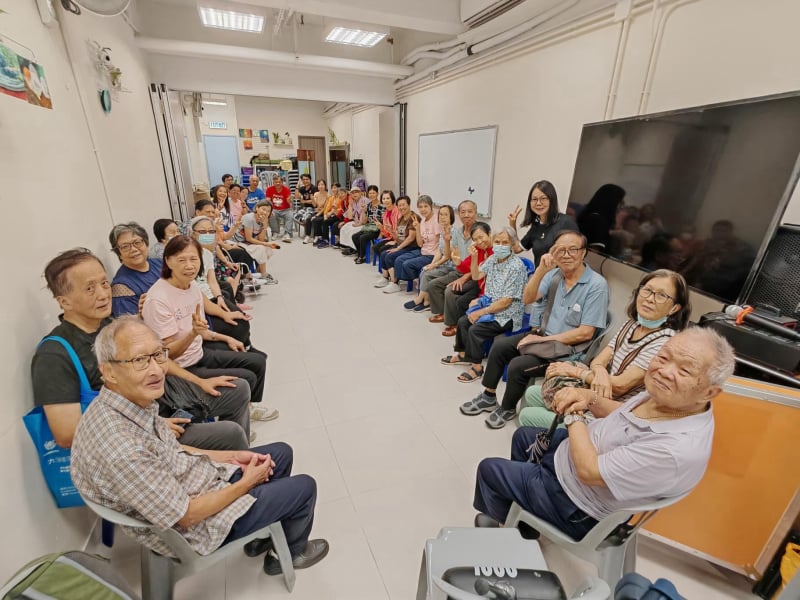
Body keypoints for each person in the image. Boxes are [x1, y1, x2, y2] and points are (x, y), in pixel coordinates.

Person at [70, 316, 329, 576]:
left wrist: (233, 456)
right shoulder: (122, 449)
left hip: (192, 482)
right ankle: (288, 555)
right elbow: (187, 516)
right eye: (140, 360)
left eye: (158, 355)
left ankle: (261, 535)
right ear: (108, 371)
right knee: (304, 488)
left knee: (280, 453)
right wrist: (246, 482)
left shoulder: (123, 403)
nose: (156, 370)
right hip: (197, 527)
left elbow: (173, 450)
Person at [472, 328, 735, 541]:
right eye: (664, 358)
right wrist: (588, 398)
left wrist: (573, 413)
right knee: (524, 436)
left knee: (489, 470)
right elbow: (626, 413)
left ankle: (508, 532)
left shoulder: (676, 449)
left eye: (685, 370)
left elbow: (589, 472)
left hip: (577, 504)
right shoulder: (671, 399)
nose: (665, 371)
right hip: (579, 456)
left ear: (710, 392)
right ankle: (523, 519)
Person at [32, 249, 252, 451]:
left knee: (238, 389)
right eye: (90, 288)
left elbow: (157, 358)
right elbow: (67, 434)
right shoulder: (55, 355)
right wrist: (151, 425)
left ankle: (229, 466)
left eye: (104, 283)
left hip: (161, 402)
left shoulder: (111, 324)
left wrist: (199, 382)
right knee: (230, 434)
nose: (103, 294)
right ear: (65, 302)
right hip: (134, 437)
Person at [460, 230, 609, 429]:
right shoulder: (554, 275)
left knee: (518, 365)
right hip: (544, 337)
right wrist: (540, 271)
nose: (566, 255)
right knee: (500, 347)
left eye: (572, 250)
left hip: (567, 350)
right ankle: (488, 396)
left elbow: (585, 333)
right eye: (560, 250)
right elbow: (528, 298)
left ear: (583, 253)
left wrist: (539, 340)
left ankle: (507, 408)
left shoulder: (597, 285)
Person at [519, 269, 691, 428]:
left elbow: (620, 385)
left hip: (615, 413)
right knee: (532, 393)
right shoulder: (632, 324)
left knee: (528, 415)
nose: (650, 298)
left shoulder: (664, 343)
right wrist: (600, 372)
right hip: (598, 394)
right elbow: (599, 360)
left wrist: (575, 372)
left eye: (661, 295)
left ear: (674, 308)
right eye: (647, 290)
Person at [142, 236, 277, 423]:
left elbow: (201, 328)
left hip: (198, 352)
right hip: (181, 368)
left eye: (194, 259)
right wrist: (193, 334)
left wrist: (225, 338)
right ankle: (234, 421)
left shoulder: (191, 285)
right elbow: (166, 354)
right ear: (168, 261)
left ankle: (246, 408)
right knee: (246, 379)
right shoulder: (158, 300)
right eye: (182, 260)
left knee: (257, 361)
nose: (189, 265)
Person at [441, 227, 528, 383]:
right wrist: (474, 258)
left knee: (476, 329)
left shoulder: (516, 266)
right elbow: (476, 275)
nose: (500, 246)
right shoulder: (493, 259)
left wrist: (481, 312)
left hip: (508, 313)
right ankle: (463, 355)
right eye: (497, 242)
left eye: (505, 242)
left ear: (512, 244)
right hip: (492, 305)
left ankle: (477, 368)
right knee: (463, 321)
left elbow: (506, 301)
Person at [189, 215, 254, 347]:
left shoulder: (206, 254)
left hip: (212, 296)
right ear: (192, 234)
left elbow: (211, 281)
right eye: (202, 231)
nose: (207, 235)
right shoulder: (187, 256)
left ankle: (247, 346)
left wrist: (219, 297)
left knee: (241, 318)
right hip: (199, 302)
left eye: (211, 231)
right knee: (237, 326)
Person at [439, 222, 494, 337]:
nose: (479, 241)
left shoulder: (496, 252)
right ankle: (459, 325)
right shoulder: (477, 250)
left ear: (489, 234)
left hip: (489, 290)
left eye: (481, 237)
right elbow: (468, 269)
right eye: (475, 239)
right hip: (480, 284)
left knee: (464, 301)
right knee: (458, 298)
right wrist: (458, 262)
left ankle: (464, 326)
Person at [427, 200, 478, 322]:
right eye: (463, 212)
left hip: (474, 274)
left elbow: (482, 262)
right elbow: (448, 255)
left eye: (470, 212)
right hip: (459, 270)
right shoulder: (458, 232)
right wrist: (447, 241)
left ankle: (453, 323)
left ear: (475, 213)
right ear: (459, 214)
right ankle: (443, 313)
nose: (466, 215)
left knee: (449, 291)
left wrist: (464, 277)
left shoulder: (480, 232)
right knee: (433, 284)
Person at [508, 180, 577, 265]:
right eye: (534, 199)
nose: (538, 203)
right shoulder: (536, 226)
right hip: (540, 273)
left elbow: (576, 255)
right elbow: (517, 248)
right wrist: (512, 224)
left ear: (552, 200)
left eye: (543, 198)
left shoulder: (566, 222)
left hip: (560, 273)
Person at [404, 204, 455, 312]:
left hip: (451, 266)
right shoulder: (442, 231)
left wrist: (434, 265)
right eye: (440, 214)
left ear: (451, 217)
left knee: (428, 274)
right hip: (442, 262)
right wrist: (432, 264)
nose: (442, 217)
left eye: (445, 215)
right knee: (425, 269)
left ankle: (421, 300)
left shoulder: (453, 232)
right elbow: (439, 251)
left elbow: (448, 256)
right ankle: (426, 301)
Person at [110, 222, 163, 317]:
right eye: (125, 246)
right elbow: (127, 323)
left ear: (146, 244)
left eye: (137, 243)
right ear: (119, 254)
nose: (133, 249)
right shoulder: (121, 287)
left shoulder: (160, 263)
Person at [390, 195, 441, 290]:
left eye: (425, 206)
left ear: (431, 206)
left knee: (407, 264)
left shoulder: (436, 221)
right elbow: (420, 244)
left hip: (432, 255)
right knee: (400, 260)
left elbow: (440, 244)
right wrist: (417, 228)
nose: (423, 209)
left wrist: (435, 262)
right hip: (423, 251)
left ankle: (418, 280)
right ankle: (414, 280)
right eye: (420, 207)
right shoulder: (422, 221)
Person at [373, 195, 419, 291]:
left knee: (390, 256)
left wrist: (398, 248)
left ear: (409, 205)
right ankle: (385, 277)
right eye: (399, 206)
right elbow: (398, 238)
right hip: (402, 245)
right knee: (384, 253)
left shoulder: (413, 218)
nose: (402, 207)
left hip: (412, 247)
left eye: (403, 205)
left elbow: (411, 238)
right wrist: (392, 232)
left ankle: (395, 283)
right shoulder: (401, 219)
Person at [231, 201, 280, 284]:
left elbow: (260, 239)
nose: (265, 212)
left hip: (247, 243)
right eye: (263, 209)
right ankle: (263, 274)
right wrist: (266, 243)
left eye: (268, 211)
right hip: (238, 242)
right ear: (257, 208)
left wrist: (264, 225)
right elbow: (249, 238)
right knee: (261, 248)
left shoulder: (263, 220)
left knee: (267, 248)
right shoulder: (249, 218)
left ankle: (259, 271)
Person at [576, 183, 626, 251]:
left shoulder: (591, 216)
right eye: (620, 203)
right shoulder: (599, 221)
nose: (621, 207)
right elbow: (594, 252)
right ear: (611, 201)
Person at [353, 190, 392, 263]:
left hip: (377, 229)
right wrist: (364, 211)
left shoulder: (382, 206)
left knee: (362, 237)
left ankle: (362, 256)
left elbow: (384, 222)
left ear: (377, 193)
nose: (371, 195)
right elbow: (364, 222)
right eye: (370, 193)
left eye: (373, 193)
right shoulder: (368, 205)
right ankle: (360, 254)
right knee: (354, 236)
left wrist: (381, 233)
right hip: (369, 227)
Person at [339, 185, 373, 255]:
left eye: (356, 192)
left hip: (366, 223)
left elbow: (366, 219)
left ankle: (355, 249)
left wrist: (359, 224)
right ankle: (351, 247)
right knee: (345, 227)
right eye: (352, 193)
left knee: (353, 231)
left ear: (360, 193)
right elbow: (350, 217)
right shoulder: (353, 202)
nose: (354, 194)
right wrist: (350, 205)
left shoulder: (365, 200)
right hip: (357, 222)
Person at [265, 174, 293, 243]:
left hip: (285, 209)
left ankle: (287, 233)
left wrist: (290, 199)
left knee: (290, 215)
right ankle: (275, 232)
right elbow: (268, 201)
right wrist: (269, 210)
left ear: (282, 182)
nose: (278, 183)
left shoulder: (286, 189)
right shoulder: (269, 189)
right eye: (276, 182)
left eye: (279, 182)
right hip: (274, 209)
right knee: (271, 214)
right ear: (273, 182)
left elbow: (289, 202)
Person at [303, 180, 328, 244]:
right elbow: (315, 205)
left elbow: (325, 208)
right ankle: (308, 236)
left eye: (322, 184)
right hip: (317, 211)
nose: (320, 186)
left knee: (315, 220)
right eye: (319, 185)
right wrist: (312, 199)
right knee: (308, 219)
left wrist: (316, 215)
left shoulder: (328, 195)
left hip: (324, 212)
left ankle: (317, 236)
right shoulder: (316, 194)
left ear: (325, 186)